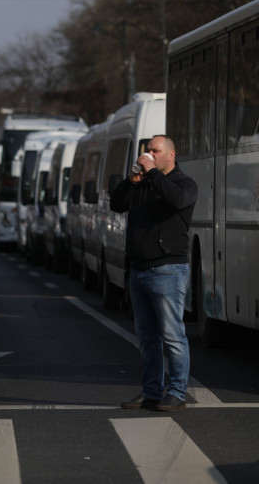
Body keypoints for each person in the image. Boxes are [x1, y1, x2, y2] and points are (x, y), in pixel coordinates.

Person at [110, 135, 197, 412]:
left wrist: (153, 173)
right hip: (139, 270)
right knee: (147, 337)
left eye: (155, 150)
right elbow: (117, 204)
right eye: (148, 151)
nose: (149, 154)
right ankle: (151, 391)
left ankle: (177, 393)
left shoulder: (184, 184)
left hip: (167, 270)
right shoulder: (145, 183)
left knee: (173, 335)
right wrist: (130, 182)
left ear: (170, 155)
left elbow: (176, 200)